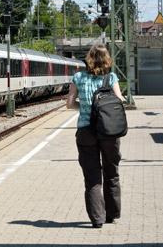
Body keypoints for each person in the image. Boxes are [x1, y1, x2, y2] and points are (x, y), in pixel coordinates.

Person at [66, 45, 124, 228]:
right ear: (107, 59)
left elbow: (69, 104)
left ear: (88, 59)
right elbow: (120, 100)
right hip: (109, 131)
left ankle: (97, 220)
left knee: (92, 178)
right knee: (112, 172)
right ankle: (112, 214)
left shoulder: (78, 78)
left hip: (86, 131)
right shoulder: (111, 78)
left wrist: (83, 107)